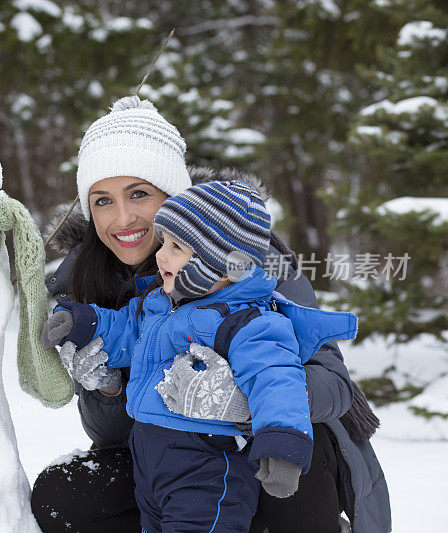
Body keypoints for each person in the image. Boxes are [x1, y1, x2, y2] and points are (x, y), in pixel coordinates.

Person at [31, 96, 391, 533]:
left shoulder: (247, 258)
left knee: (297, 475)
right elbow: (110, 438)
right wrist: (105, 387)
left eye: (139, 193)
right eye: (102, 200)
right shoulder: (87, 281)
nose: (122, 218)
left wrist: (239, 396)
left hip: (272, 445)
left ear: (175, 197)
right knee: (65, 492)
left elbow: (333, 383)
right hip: (169, 454)